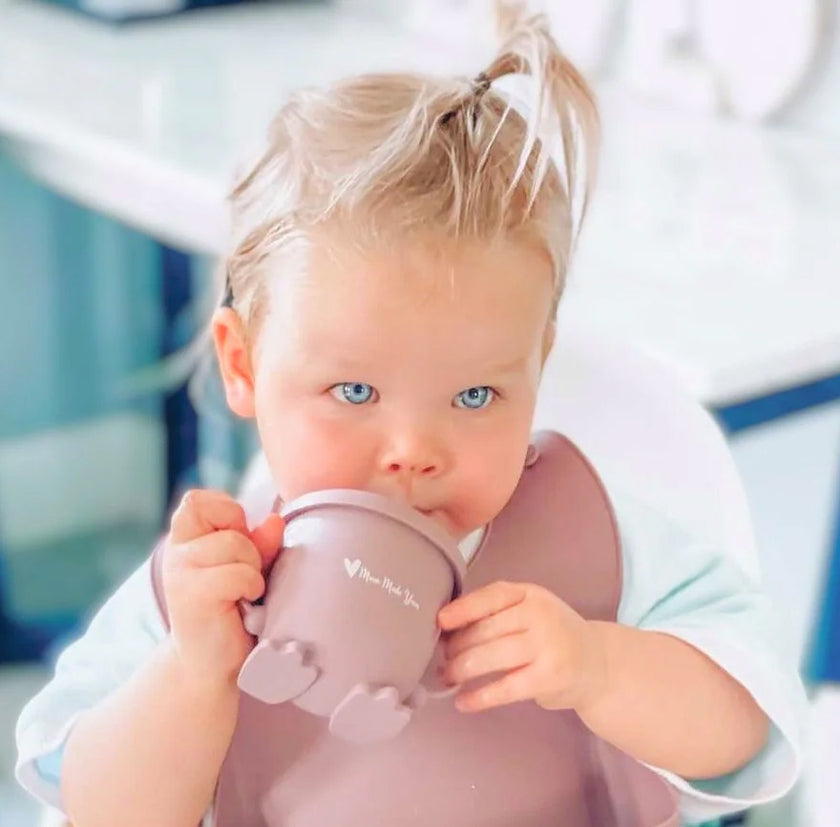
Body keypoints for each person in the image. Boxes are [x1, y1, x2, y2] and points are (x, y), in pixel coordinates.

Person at [15, 3, 804, 825]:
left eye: (474, 397)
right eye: (354, 392)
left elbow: (750, 732)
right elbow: (97, 809)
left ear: (536, 366)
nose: (413, 450)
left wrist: (601, 666)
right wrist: (190, 673)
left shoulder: (601, 542)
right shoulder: (214, 587)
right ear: (244, 364)